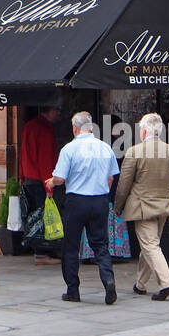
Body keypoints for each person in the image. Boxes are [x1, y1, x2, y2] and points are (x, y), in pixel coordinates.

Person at [48, 110, 119, 305]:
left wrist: (52, 182)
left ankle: (73, 290)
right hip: (100, 200)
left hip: (77, 201)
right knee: (101, 245)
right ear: (91, 128)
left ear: (75, 128)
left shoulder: (69, 149)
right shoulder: (105, 148)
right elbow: (111, 178)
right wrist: (102, 192)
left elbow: (60, 178)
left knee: (71, 247)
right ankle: (108, 280)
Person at [114, 112, 169, 301]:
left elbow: (124, 184)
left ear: (144, 131)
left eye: (139, 129)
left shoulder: (134, 152)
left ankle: (166, 284)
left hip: (143, 206)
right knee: (151, 244)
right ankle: (140, 284)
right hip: (163, 204)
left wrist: (118, 205)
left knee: (150, 245)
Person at [19, 106, 60, 263]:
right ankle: (42, 253)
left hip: (29, 178)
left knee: (33, 216)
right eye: (56, 110)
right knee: (43, 216)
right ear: (48, 110)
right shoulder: (44, 129)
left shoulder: (29, 126)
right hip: (40, 180)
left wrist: (21, 175)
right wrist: (49, 186)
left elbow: (23, 152)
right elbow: (45, 161)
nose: (58, 113)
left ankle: (39, 251)